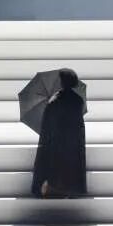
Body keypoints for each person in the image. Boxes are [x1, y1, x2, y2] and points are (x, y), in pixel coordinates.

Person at [31, 69, 87, 198]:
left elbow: (47, 126)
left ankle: (53, 189)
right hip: (73, 142)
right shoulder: (78, 100)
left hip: (57, 142)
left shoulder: (55, 101)